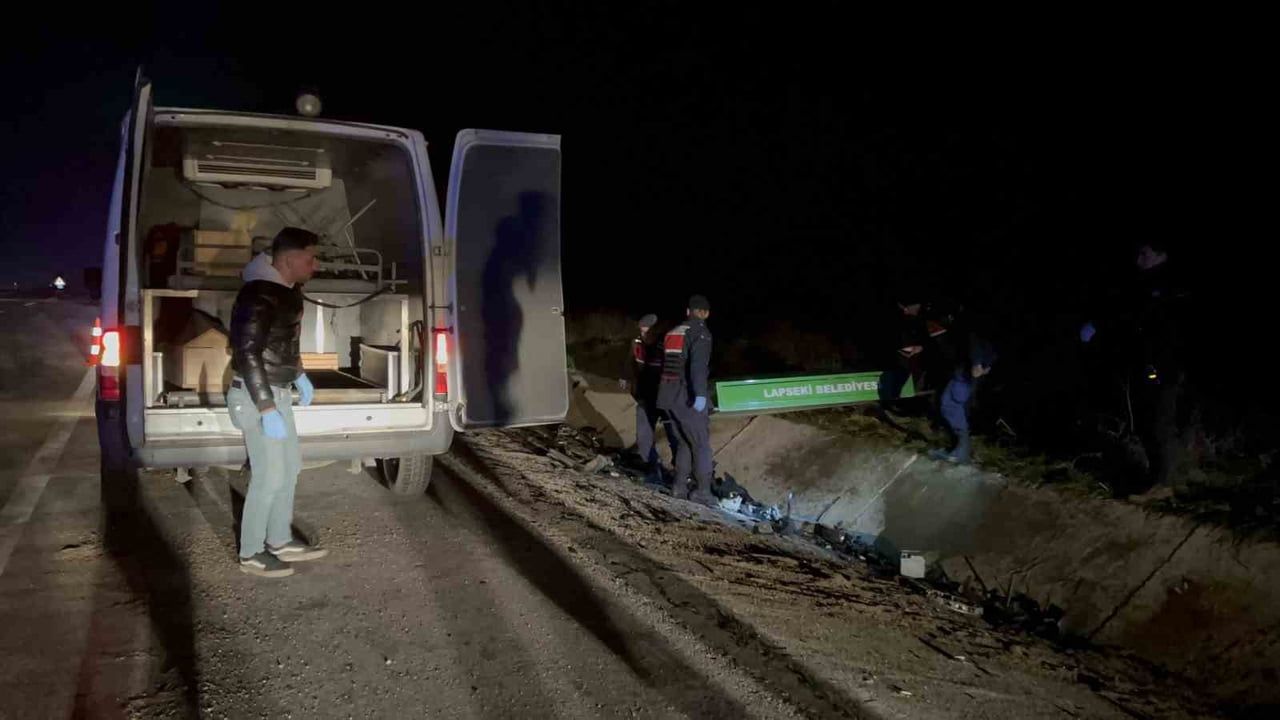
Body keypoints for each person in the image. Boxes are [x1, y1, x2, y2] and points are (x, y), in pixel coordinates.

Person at [229, 227, 328, 578]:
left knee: (289, 469)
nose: (315, 265)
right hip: (257, 396)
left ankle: (279, 540)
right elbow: (247, 352)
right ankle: (252, 553)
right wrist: (267, 407)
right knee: (268, 476)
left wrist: (299, 373)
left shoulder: (287, 291)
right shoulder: (258, 294)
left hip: (279, 392)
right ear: (288, 259)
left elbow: (285, 343)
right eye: (309, 257)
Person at [1080, 241, 1187, 488]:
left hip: (1163, 368)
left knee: (1159, 421)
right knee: (1148, 421)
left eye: (1144, 254)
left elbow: (1149, 323)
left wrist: (1158, 367)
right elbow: (1126, 316)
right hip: (1149, 365)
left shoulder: (1165, 286)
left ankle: (1163, 484)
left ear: (1161, 254)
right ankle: (1157, 477)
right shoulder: (1145, 284)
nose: (1138, 260)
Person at [656, 295, 717, 506]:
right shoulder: (700, 332)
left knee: (684, 442)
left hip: (667, 397)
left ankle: (679, 487)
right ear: (705, 313)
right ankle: (703, 491)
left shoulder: (673, 332)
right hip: (686, 396)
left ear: (687, 311)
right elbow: (697, 368)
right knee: (700, 445)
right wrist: (700, 395)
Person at [622, 313, 677, 478]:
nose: (643, 333)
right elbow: (629, 361)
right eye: (642, 329)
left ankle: (681, 470)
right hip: (645, 397)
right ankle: (653, 467)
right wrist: (624, 376)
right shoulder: (636, 342)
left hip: (665, 397)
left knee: (674, 435)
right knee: (644, 437)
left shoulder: (666, 344)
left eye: (646, 330)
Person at [930, 331, 997, 464]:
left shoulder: (972, 326)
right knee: (949, 405)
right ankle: (957, 449)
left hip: (965, 373)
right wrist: (986, 364)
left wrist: (977, 363)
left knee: (952, 406)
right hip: (963, 371)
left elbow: (975, 341)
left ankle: (961, 454)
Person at [878, 297, 927, 417]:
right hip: (900, 363)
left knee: (913, 387)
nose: (917, 308)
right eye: (913, 306)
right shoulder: (899, 321)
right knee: (894, 385)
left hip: (916, 364)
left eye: (917, 306)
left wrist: (921, 347)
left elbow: (928, 340)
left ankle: (910, 411)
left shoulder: (921, 320)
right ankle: (893, 408)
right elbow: (895, 340)